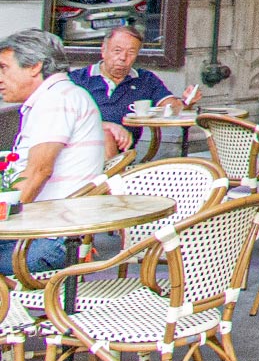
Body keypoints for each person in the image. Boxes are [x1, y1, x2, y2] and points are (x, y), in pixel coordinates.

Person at [0, 29, 108, 276]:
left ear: (34, 67)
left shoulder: (56, 100)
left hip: (49, 241)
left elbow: (38, 172)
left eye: (4, 68)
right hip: (49, 234)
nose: (0, 77)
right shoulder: (59, 96)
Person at [70, 25, 187, 155]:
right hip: (80, 152)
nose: (123, 58)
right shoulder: (78, 79)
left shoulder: (145, 79)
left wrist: (186, 102)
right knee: (106, 136)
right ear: (103, 50)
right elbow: (64, 119)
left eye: (131, 53)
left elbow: (170, 107)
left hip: (124, 154)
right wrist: (107, 126)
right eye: (117, 51)